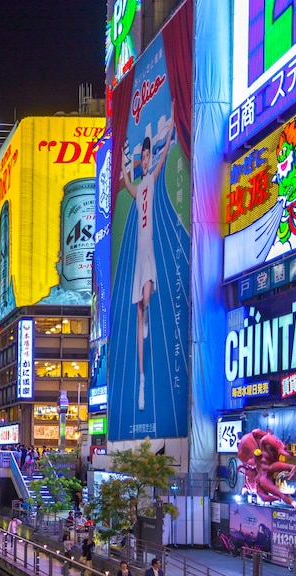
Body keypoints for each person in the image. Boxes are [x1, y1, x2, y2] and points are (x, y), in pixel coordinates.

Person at [120, 119, 174, 411]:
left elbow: (165, 153)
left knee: (145, 300)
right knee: (138, 311)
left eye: (146, 156)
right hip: (139, 255)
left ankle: (149, 315)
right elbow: (128, 185)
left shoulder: (151, 179)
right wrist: (126, 169)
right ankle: (141, 380)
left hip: (149, 250)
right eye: (142, 158)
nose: (145, 160)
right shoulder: (139, 185)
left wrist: (174, 117)